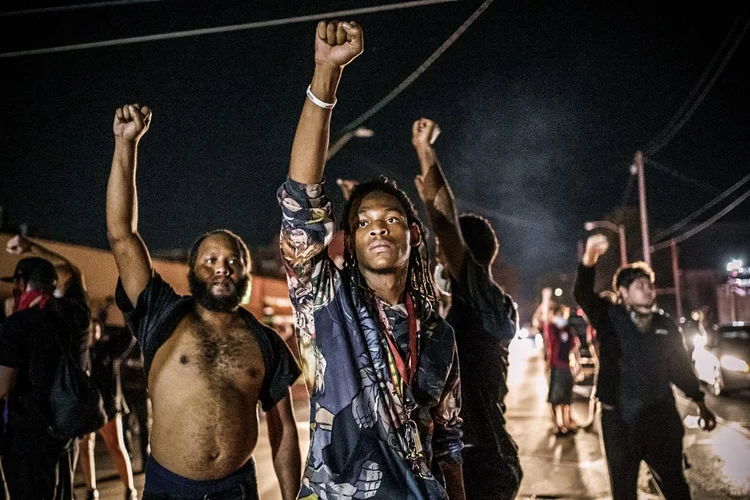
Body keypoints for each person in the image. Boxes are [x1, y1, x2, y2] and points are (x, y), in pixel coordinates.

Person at [279, 20, 464, 499]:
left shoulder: (439, 334)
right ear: (348, 240)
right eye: (362, 222)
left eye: (392, 219)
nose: (378, 227)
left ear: (414, 234)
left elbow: (447, 440)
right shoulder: (326, 302)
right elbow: (301, 200)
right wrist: (325, 76)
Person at [106, 102, 301, 499]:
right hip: (169, 489)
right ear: (192, 271)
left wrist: (291, 496)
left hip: (238, 490)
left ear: (245, 274)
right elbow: (122, 235)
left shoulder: (266, 342)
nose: (221, 268)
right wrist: (126, 144)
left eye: (232, 261)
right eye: (210, 260)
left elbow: (283, 430)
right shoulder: (160, 313)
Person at [409, 117, 521, 499]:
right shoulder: (477, 302)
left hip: (481, 460)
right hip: (472, 454)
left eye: (445, 252)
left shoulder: (482, 298)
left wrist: (426, 152)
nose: (438, 256)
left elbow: (446, 227)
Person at [574, 233, 717, 500]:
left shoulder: (665, 325)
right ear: (624, 292)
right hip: (618, 420)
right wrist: (591, 256)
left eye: (650, 284)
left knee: (675, 485)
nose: (649, 289)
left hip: (660, 417)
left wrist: (700, 402)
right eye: (640, 285)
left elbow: (680, 368)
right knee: (624, 490)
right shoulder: (609, 318)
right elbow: (582, 293)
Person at [0, 249, 89, 499]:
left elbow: (3, 385)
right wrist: (30, 245)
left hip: (27, 440)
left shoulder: (18, 324)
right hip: (65, 433)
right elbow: (75, 270)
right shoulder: (77, 315)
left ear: (21, 284)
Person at [78, 303, 138, 500]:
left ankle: (130, 490)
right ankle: (91, 490)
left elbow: (128, 337)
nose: (93, 331)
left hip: (109, 408)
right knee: (86, 448)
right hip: (87, 408)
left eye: (95, 328)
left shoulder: (108, 350)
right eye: (90, 328)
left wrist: (129, 312)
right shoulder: (80, 354)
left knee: (116, 447)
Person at [539, 293, 581, 436]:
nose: (561, 316)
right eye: (559, 314)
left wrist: (577, 365)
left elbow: (575, 347)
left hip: (566, 367)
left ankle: (566, 423)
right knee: (555, 399)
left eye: (563, 314)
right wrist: (545, 299)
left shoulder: (568, 330)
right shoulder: (552, 329)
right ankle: (558, 426)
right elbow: (544, 319)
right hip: (556, 367)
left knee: (566, 399)